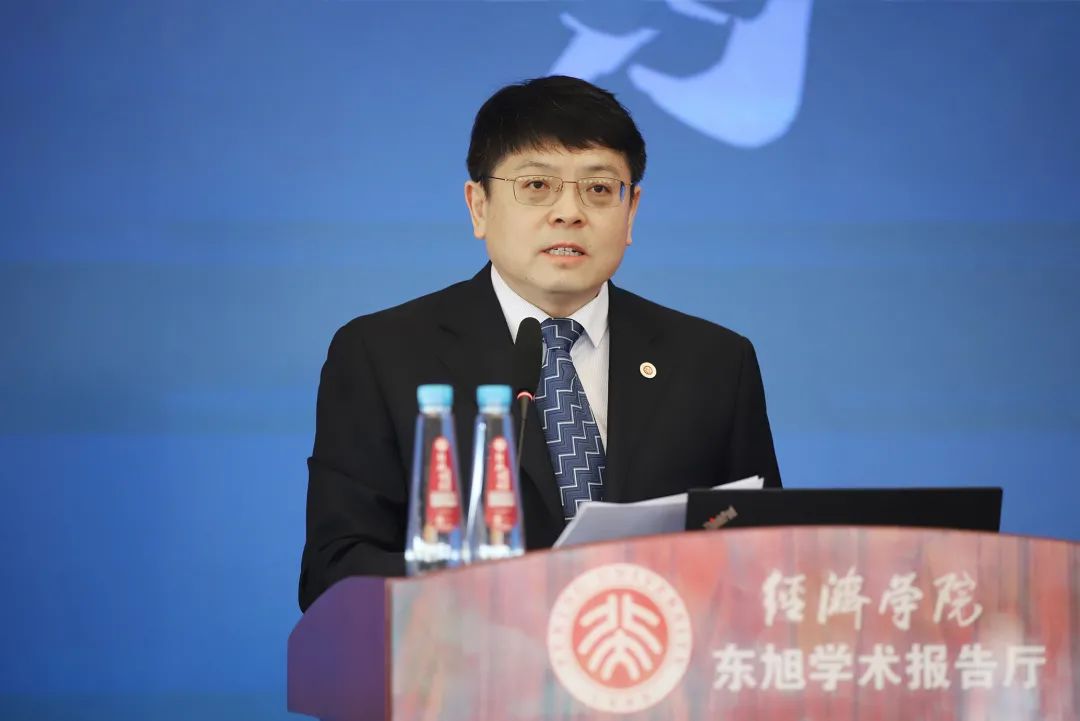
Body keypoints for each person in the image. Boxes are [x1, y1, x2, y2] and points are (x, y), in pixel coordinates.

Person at [299, 75, 781, 612]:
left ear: (631, 212)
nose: (569, 212)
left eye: (599, 189)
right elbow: (334, 571)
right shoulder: (381, 354)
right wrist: (494, 585)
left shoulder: (715, 362)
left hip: (659, 656)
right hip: (471, 657)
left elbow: (768, 560)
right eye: (536, 185)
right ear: (479, 206)